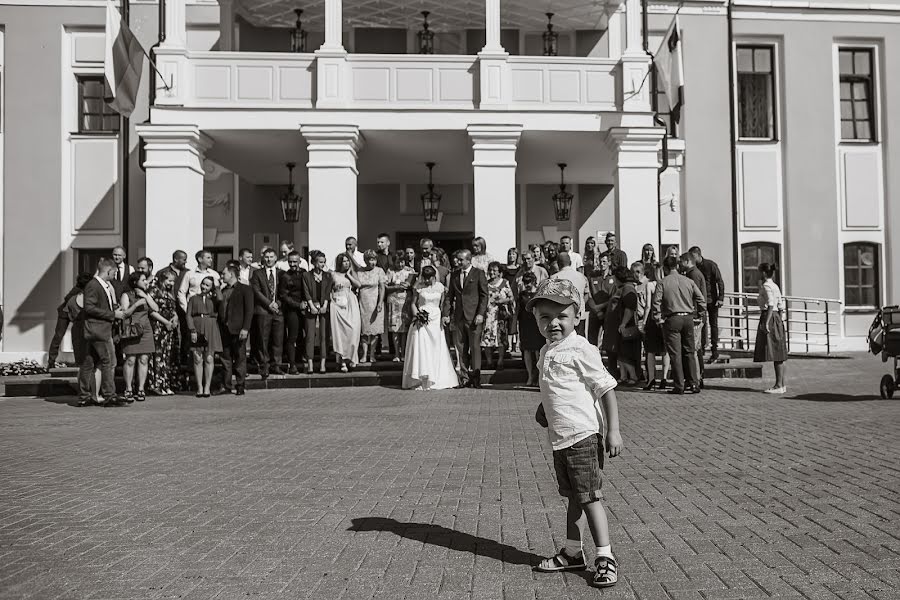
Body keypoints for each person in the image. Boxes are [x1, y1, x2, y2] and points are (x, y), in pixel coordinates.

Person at [529, 278, 623, 589]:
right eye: (545, 317)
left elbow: (606, 388)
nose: (553, 323)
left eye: (561, 316)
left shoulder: (581, 348)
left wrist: (613, 431)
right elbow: (556, 387)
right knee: (573, 497)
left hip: (583, 436)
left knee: (589, 498)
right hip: (561, 439)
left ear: (577, 317)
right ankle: (572, 552)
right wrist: (545, 409)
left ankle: (605, 557)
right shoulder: (547, 350)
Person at [652, 256, 706, 395]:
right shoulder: (688, 281)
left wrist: (658, 318)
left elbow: (656, 302)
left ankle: (679, 385)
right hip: (688, 317)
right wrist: (700, 312)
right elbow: (701, 298)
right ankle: (694, 383)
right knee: (689, 351)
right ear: (678, 266)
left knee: (675, 353)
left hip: (672, 318)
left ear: (664, 268)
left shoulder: (662, 282)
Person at [402, 266, 459, 390]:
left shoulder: (441, 288)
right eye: (425, 278)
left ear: (434, 276)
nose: (427, 281)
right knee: (422, 347)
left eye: (429, 278)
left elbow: (443, 303)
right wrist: (417, 315)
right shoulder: (419, 287)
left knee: (436, 346)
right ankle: (422, 378)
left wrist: (445, 316)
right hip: (422, 319)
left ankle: (437, 376)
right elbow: (413, 303)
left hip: (435, 318)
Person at [78, 258, 126, 407]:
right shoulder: (93, 285)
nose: (115, 275)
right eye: (114, 272)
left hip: (98, 329)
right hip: (98, 330)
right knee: (109, 361)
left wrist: (114, 310)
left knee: (89, 362)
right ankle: (109, 395)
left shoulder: (103, 285)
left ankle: (84, 396)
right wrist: (113, 315)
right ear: (109, 271)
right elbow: (89, 308)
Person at [442, 249, 488, 388]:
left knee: (474, 348)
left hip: (474, 317)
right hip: (459, 317)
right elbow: (450, 296)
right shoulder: (455, 275)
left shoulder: (478, 273)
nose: (458, 262)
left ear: (469, 260)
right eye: (457, 259)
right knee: (461, 348)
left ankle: (476, 377)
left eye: (461, 260)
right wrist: (446, 314)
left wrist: (480, 313)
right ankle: (464, 378)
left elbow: (484, 295)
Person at [120, 272, 159, 402]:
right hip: (132, 329)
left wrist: (146, 297)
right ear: (135, 282)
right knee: (130, 360)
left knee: (144, 359)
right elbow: (124, 313)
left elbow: (156, 308)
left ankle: (141, 388)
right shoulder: (126, 295)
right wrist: (136, 304)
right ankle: (128, 389)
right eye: (143, 280)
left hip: (146, 330)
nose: (146, 282)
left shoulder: (146, 294)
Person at [249, 247, 285, 379]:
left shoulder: (282, 273)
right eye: (267, 257)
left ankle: (276, 365)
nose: (269, 259)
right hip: (263, 311)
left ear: (276, 258)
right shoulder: (257, 273)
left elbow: (284, 292)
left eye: (271, 257)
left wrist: (278, 304)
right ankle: (264, 366)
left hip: (278, 311)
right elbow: (256, 291)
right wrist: (269, 304)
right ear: (263, 258)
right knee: (263, 340)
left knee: (278, 340)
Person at [219, 265, 253, 395]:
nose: (222, 276)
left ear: (232, 275)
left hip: (238, 329)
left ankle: (240, 384)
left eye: (224, 274)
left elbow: (249, 311)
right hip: (224, 328)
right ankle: (226, 385)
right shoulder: (223, 290)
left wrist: (245, 328)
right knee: (225, 358)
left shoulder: (245, 289)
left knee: (240, 357)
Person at [754, 263, 788, 394]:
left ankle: (778, 385)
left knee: (776, 352)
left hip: (770, 317)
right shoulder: (775, 285)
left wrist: (767, 322)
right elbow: (780, 305)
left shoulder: (767, 286)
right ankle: (781, 384)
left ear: (763, 273)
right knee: (779, 352)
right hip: (777, 318)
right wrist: (779, 319)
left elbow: (771, 304)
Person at [186, 276, 222, 397]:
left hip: (210, 326)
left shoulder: (214, 299)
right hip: (197, 326)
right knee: (197, 358)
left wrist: (216, 287)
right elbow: (189, 315)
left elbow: (221, 299)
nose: (204, 287)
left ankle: (207, 387)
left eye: (207, 285)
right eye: (203, 284)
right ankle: (199, 387)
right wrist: (192, 330)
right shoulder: (193, 298)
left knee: (209, 358)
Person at [690, 246, 725, 362]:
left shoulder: (710, 265)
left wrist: (720, 298)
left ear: (698, 255)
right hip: (700, 300)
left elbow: (719, 281)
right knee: (701, 324)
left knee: (713, 324)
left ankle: (714, 350)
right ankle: (702, 348)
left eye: (693, 256)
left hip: (712, 300)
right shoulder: (694, 268)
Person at [147, 270, 180, 396]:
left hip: (170, 329)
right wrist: (165, 321)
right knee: (158, 356)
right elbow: (151, 310)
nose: (171, 283)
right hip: (158, 327)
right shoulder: (154, 291)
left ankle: (166, 384)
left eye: (173, 281)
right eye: (169, 280)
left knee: (168, 356)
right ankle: (156, 384)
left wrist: (175, 318)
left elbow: (174, 309)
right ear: (162, 279)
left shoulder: (169, 293)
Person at [301, 251, 333, 374]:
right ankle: (310, 363)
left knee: (324, 335)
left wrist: (325, 304)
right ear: (314, 262)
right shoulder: (306, 275)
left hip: (324, 307)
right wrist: (311, 305)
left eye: (324, 262)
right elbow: (306, 291)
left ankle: (323, 363)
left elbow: (327, 292)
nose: (322, 264)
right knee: (310, 335)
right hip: (311, 307)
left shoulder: (328, 276)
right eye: (320, 262)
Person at [639, 263, 669, 390]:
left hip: (652, 319)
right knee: (664, 351)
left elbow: (648, 306)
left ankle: (651, 379)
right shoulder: (667, 284)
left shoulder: (650, 285)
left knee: (650, 351)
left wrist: (644, 322)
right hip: (665, 318)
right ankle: (664, 377)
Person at [64, 274, 94, 398]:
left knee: (82, 363)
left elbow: (69, 316)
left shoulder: (72, 300)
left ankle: (82, 390)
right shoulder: (92, 299)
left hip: (77, 331)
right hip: (90, 329)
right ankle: (87, 391)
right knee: (90, 362)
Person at [680, 252, 708, 389]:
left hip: (695, 316)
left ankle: (696, 378)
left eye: (681, 262)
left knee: (693, 350)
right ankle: (697, 378)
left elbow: (696, 296)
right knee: (695, 349)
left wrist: (696, 313)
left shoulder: (693, 275)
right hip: (696, 315)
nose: (680, 265)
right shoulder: (695, 273)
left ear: (687, 261)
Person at [47, 278, 88, 367]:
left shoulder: (85, 291)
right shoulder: (77, 290)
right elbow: (67, 299)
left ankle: (80, 360)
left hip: (73, 313)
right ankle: (51, 361)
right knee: (59, 335)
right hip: (65, 313)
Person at [331, 254, 362, 372]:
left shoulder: (351, 274)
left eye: (348, 261)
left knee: (353, 329)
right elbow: (329, 288)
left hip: (350, 302)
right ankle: (342, 360)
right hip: (338, 303)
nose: (346, 264)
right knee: (340, 333)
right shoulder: (333, 274)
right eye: (344, 262)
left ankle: (352, 358)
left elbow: (358, 285)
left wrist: (349, 274)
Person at [279, 250, 307, 374]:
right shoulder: (285, 276)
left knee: (304, 336)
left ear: (300, 262)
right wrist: (298, 305)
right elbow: (284, 296)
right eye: (290, 262)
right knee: (293, 337)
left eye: (295, 262)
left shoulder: (304, 273)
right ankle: (292, 365)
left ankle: (300, 359)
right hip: (292, 310)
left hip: (305, 308)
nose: (292, 264)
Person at [611, 266, 641, 385]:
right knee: (621, 353)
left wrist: (623, 324)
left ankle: (633, 376)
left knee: (626, 353)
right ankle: (623, 376)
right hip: (624, 325)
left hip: (627, 326)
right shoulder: (626, 288)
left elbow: (629, 308)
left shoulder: (628, 289)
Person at [384, 250, 416, 362]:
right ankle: (397, 353)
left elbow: (413, 285)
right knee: (395, 329)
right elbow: (386, 286)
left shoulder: (410, 271)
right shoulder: (390, 271)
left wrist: (408, 286)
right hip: (393, 301)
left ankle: (404, 353)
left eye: (402, 262)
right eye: (398, 262)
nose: (400, 264)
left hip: (406, 302)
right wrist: (396, 287)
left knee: (404, 329)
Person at [482, 261, 514, 371]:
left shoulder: (504, 283)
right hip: (488, 315)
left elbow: (511, 298)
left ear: (499, 272)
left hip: (500, 315)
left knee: (501, 338)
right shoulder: (485, 284)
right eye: (490, 270)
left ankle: (500, 361)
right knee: (487, 338)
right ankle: (489, 361)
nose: (492, 272)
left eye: (494, 270)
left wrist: (502, 300)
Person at [357, 250, 386, 365]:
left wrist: (380, 302)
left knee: (374, 331)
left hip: (375, 302)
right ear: (365, 260)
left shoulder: (379, 271)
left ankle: (372, 354)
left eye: (374, 259)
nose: (372, 262)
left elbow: (382, 288)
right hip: (363, 302)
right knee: (364, 331)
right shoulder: (360, 271)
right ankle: (364, 354)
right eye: (370, 259)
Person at [551, 253, 589, 337]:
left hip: (562, 316)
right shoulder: (582, 277)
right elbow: (587, 295)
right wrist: (579, 304)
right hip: (579, 315)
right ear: (571, 262)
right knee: (578, 340)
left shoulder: (554, 278)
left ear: (558, 263)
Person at [517, 271, 543, 387]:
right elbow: (518, 310)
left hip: (536, 324)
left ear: (534, 282)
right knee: (527, 350)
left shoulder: (538, 294)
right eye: (525, 282)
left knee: (538, 351)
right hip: (525, 324)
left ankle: (538, 376)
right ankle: (529, 376)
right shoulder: (521, 294)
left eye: (529, 282)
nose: (527, 284)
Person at [586, 254, 616, 348]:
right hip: (595, 313)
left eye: (604, 262)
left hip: (608, 313)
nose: (602, 264)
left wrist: (601, 308)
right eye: (600, 261)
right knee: (592, 342)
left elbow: (614, 297)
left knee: (610, 341)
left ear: (609, 263)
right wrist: (597, 310)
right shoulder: (593, 277)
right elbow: (589, 296)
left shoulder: (614, 278)